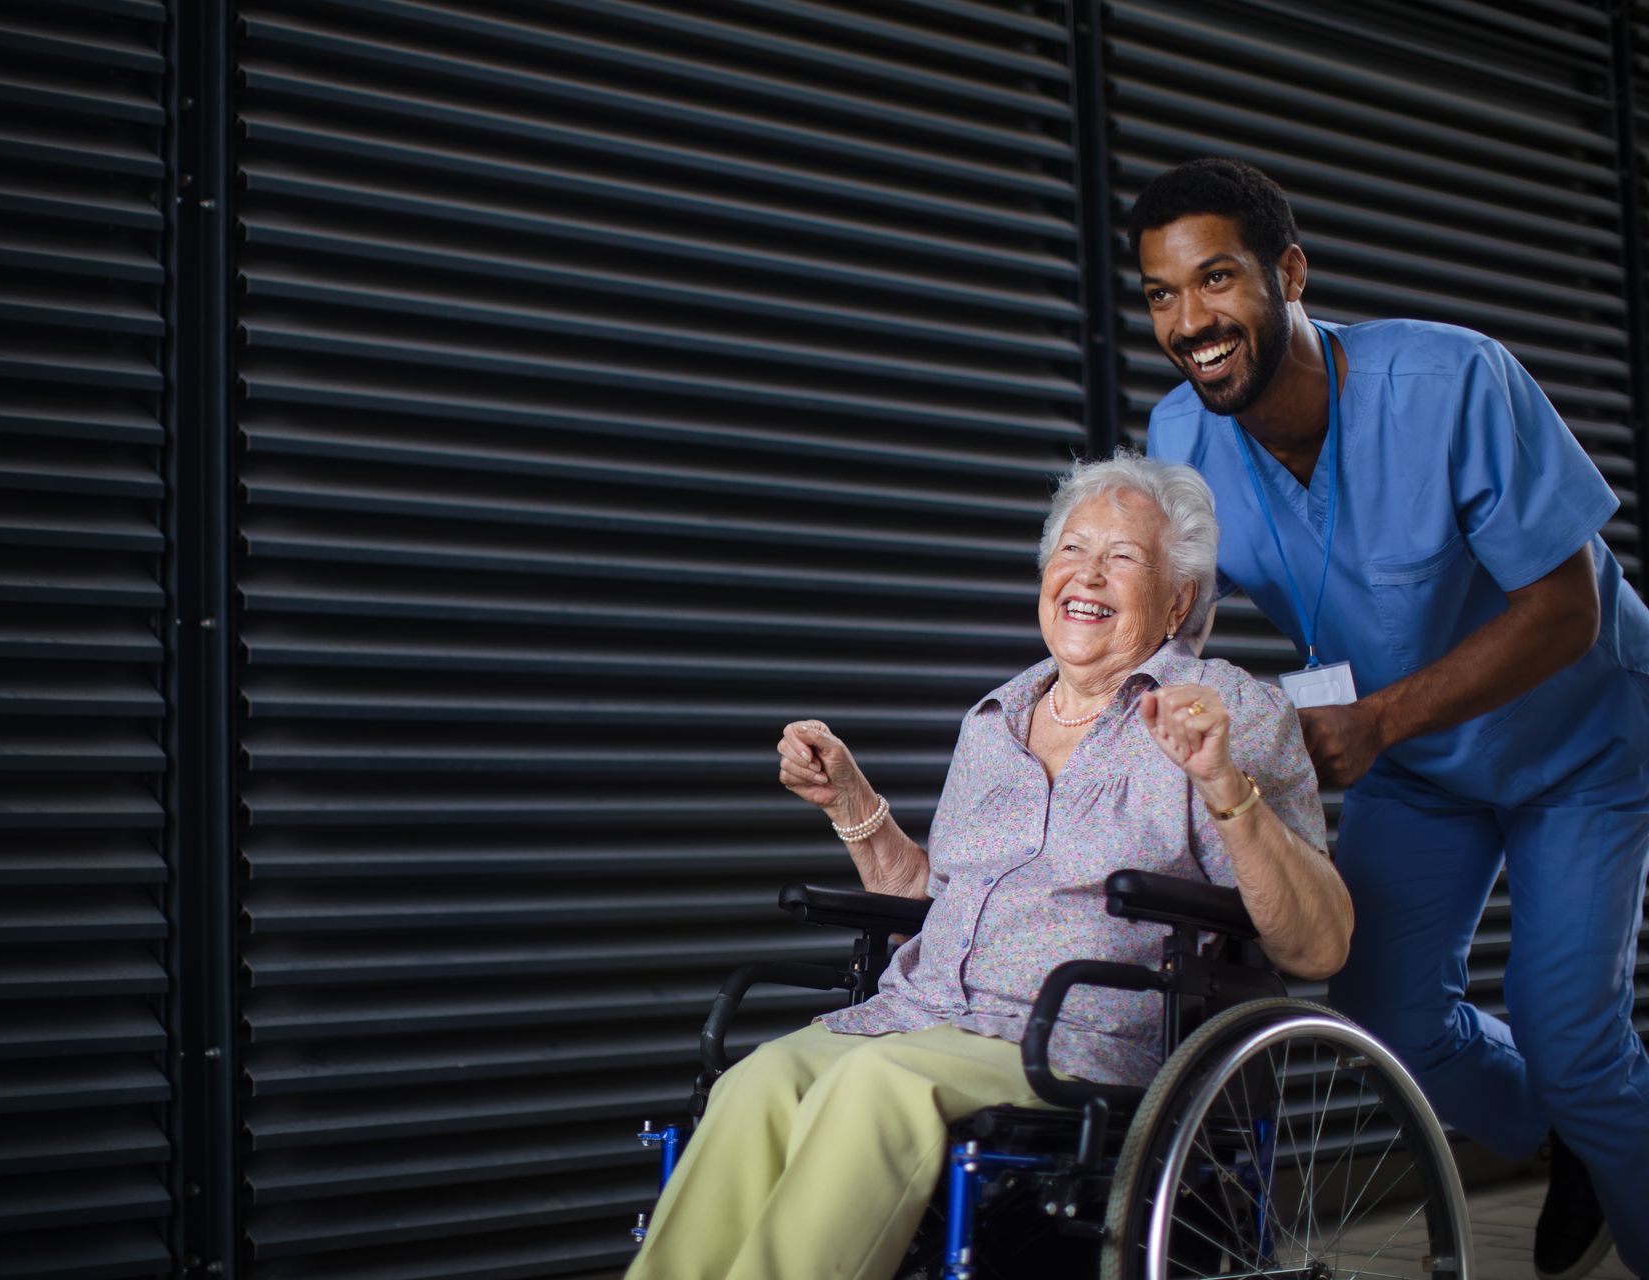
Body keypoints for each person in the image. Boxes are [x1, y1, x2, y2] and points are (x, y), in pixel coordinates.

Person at [624, 454, 1350, 1280]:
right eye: (1072, 551)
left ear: (1180, 600)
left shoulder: (1223, 709)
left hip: (1071, 1036)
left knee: (871, 1090)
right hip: (923, 1015)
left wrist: (1224, 781)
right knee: (757, 1083)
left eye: (1124, 558)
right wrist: (849, 801)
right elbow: (939, 906)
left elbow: (1319, 946)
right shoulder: (996, 720)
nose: (1086, 575)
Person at [1134, 157, 1649, 1280]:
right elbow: (1167, 624)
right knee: (1381, 1009)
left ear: (1292, 273)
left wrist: (1372, 724)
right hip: (1419, 759)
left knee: (1575, 1038)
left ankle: (1606, 1132)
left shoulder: (1454, 380)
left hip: (1583, 740)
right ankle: (1569, 1134)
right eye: (1163, 295)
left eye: (1216, 280)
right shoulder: (1181, 440)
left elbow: (1564, 609)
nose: (1190, 321)